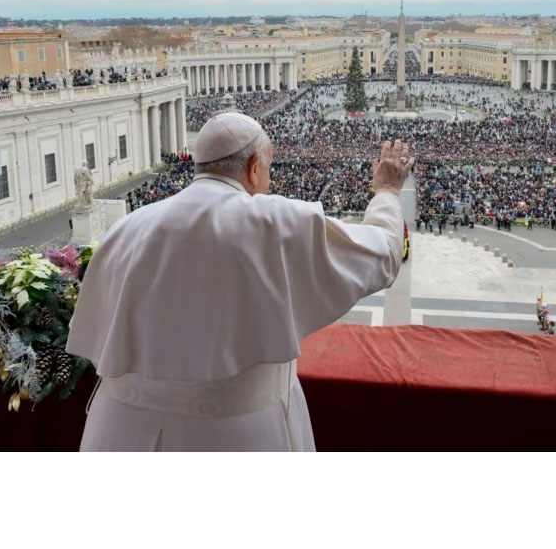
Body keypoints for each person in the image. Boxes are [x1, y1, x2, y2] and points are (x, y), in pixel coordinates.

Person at [67, 112, 412, 451]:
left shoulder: (125, 229)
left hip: (120, 433)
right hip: (237, 435)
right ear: (253, 166)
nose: (268, 180)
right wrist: (386, 192)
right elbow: (383, 254)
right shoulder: (273, 221)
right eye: (268, 169)